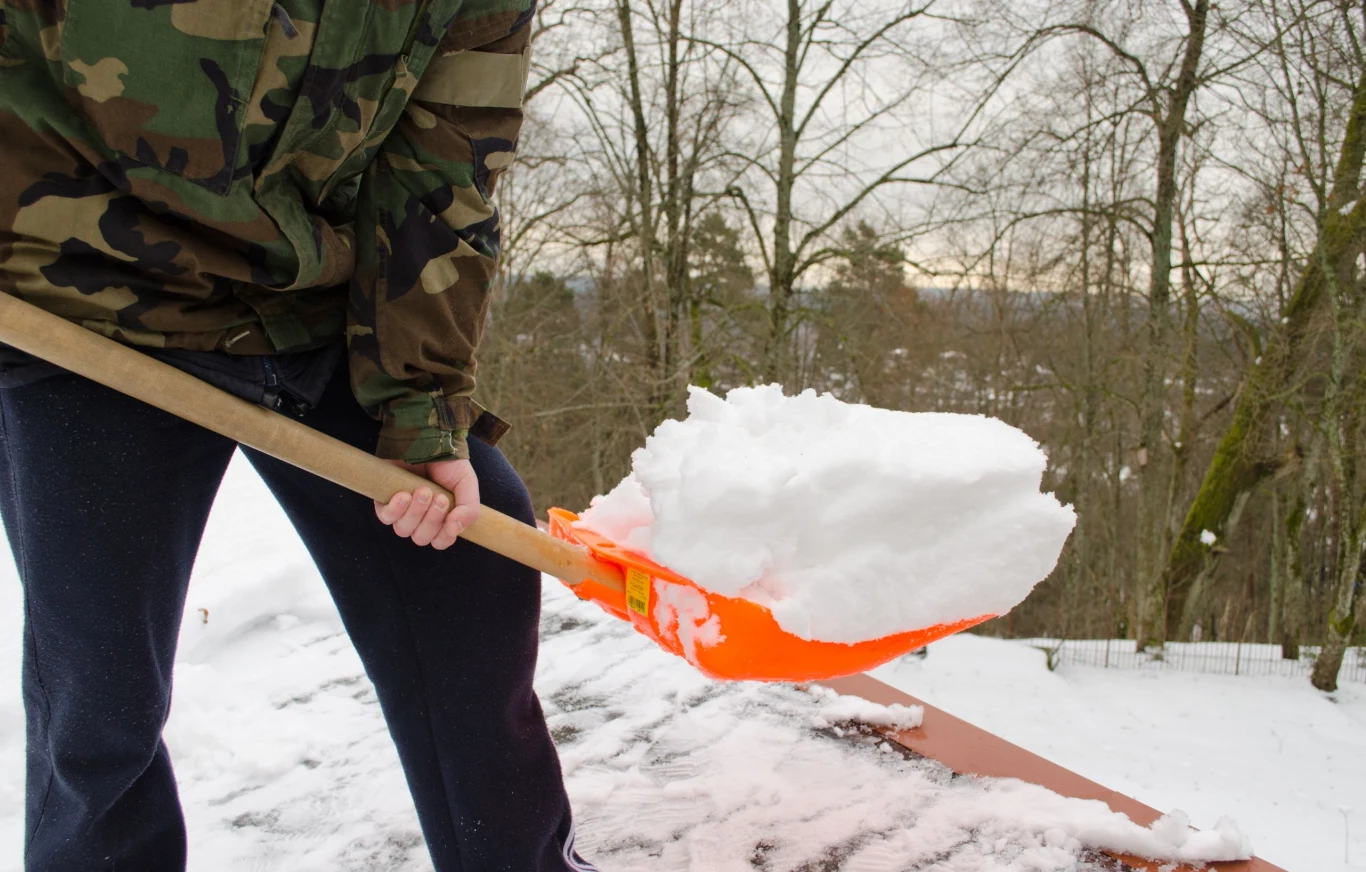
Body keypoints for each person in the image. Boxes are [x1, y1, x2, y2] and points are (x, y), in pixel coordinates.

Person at [0, 1, 596, 869]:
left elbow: (440, 170)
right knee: (100, 686)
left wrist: (419, 408)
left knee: (469, 561)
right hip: (84, 306)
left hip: (312, 301)